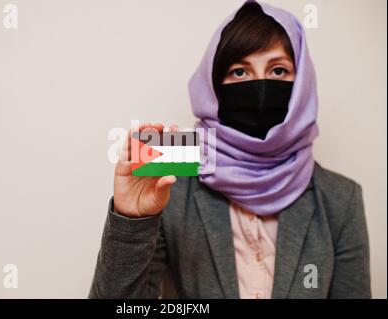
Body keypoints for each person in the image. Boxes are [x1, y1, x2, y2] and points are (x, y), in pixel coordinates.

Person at [89, 0, 371, 299]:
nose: (260, 86)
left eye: (278, 70)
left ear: (302, 83)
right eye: (239, 72)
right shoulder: (168, 181)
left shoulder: (341, 199)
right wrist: (131, 220)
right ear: (213, 85)